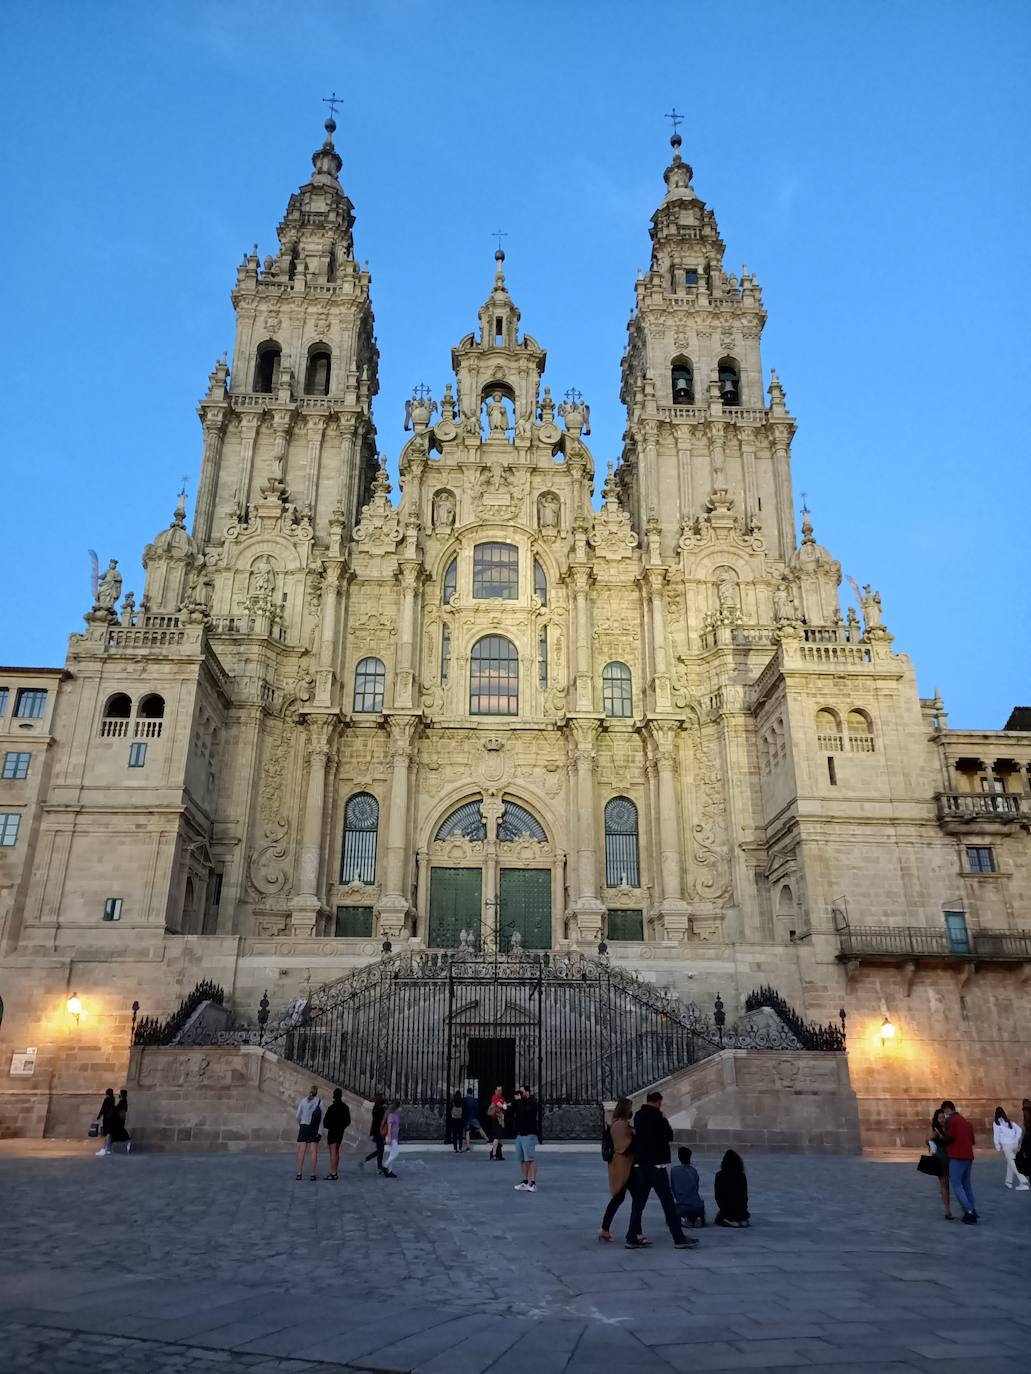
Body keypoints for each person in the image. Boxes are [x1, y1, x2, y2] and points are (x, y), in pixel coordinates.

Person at [625, 1092, 698, 1250]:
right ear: (658, 1102)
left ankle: (631, 1236)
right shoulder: (658, 1118)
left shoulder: (638, 1116)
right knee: (668, 1203)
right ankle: (678, 1237)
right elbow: (669, 1135)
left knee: (638, 1203)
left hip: (641, 1165)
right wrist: (663, 1119)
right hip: (657, 1166)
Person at [600, 1097, 642, 1242]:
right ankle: (636, 1232)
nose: (632, 1111)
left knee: (620, 1198)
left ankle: (606, 1230)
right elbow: (622, 1147)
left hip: (626, 1166)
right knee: (637, 1198)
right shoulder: (620, 1125)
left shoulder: (623, 1124)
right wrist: (635, 1137)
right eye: (630, 1108)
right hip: (623, 1167)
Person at [942, 1100, 978, 1224]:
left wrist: (939, 1139)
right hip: (969, 1156)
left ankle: (969, 1211)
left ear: (947, 1109)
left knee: (956, 1184)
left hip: (956, 1156)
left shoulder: (950, 1121)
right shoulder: (966, 1122)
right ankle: (972, 1208)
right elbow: (972, 1140)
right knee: (967, 1185)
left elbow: (949, 1138)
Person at [992, 1106, 1029, 1190]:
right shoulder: (1010, 1122)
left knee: (1013, 1163)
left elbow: (996, 1136)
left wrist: (997, 1147)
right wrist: (1016, 1139)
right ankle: (1008, 1182)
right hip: (1014, 1144)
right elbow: (1019, 1130)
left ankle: (1023, 1182)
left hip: (1006, 1146)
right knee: (1010, 1163)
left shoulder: (996, 1123)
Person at [671, 1146, 706, 1228]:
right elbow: (696, 1188)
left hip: (683, 1206)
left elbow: (673, 1189)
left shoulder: (674, 1170)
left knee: (671, 1214)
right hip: (697, 1206)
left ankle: (684, 1219)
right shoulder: (694, 1171)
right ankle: (697, 1218)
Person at [513, 1086, 540, 1192]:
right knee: (522, 1159)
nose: (520, 1093)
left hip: (529, 1134)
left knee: (530, 1158)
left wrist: (519, 1102)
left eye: (522, 1091)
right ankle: (524, 1181)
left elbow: (526, 1112)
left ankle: (533, 1183)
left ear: (527, 1092)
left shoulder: (532, 1102)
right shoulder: (520, 1102)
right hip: (520, 1134)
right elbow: (513, 1111)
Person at [929, 1105, 954, 1220]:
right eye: (940, 1118)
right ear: (936, 1119)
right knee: (945, 1186)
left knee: (949, 1185)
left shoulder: (948, 1128)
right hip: (940, 1159)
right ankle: (947, 1210)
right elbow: (930, 1143)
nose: (942, 1120)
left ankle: (948, 1208)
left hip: (951, 1159)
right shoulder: (935, 1130)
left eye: (943, 1117)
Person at [714, 1150, 750, 1227]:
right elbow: (744, 1195)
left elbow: (718, 1196)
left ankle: (729, 1220)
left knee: (719, 1219)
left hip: (727, 1210)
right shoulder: (741, 1176)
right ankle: (740, 1220)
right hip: (741, 1210)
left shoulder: (719, 1175)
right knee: (740, 1215)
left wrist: (723, 1208)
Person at [295, 1084, 323, 1181]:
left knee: (301, 1150)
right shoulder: (320, 1102)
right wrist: (320, 1131)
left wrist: (301, 1123)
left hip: (304, 1126)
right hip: (313, 1127)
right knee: (313, 1151)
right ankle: (313, 1174)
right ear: (317, 1092)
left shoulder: (303, 1101)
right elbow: (321, 1118)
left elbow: (298, 1115)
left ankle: (299, 1173)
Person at [323, 1088, 351, 1181]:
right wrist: (342, 1126)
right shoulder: (345, 1107)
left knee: (333, 1152)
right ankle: (335, 1170)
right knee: (337, 1150)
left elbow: (325, 1121)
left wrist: (330, 1126)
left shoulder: (331, 1108)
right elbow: (348, 1121)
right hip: (340, 1131)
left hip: (332, 1131)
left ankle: (333, 1173)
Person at [362, 1095, 387, 1173]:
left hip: (376, 1131)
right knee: (380, 1150)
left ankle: (367, 1160)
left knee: (379, 1150)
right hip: (379, 1131)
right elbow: (383, 1120)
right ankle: (379, 1166)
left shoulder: (376, 1108)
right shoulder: (380, 1109)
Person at [462, 1085, 490, 1152]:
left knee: (467, 1132)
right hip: (473, 1117)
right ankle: (487, 1140)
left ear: (467, 1092)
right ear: (472, 1093)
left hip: (466, 1117)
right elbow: (477, 1110)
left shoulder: (464, 1100)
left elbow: (463, 1109)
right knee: (480, 1128)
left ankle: (468, 1146)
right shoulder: (474, 1101)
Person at [108, 1089, 132, 1155]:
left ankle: (108, 1148)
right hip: (120, 1120)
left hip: (118, 1120)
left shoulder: (123, 1101)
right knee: (116, 1132)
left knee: (116, 1132)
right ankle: (108, 1148)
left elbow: (117, 1109)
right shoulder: (124, 1101)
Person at [487, 1086, 508, 1161]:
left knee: (499, 1138)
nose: (500, 1091)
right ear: (495, 1090)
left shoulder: (502, 1097)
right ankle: (494, 1154)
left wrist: (503, 1106)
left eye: (501, 1090)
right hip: (496, 1119)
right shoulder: (494, 1097)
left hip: (500, 1119)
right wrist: (503, 1105)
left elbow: (505, 1107)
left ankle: (497, 1154)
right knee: (497, 1137)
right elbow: (501, 1105)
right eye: (498, 1090)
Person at [95, 1088, 116, 1156]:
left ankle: (103, 1149)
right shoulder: (113, 1099)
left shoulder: (106, 1100)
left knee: (103, 1135)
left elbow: (102, 1109)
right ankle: (108, 1149)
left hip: (106, 1119)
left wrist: (98, 1117)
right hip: (112, 1120)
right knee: (110, 1134)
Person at [383, 1100, 401, 1178]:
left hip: (395, 1137)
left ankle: (389, 1171)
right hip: (391, 1137)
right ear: (397, 1107)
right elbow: (389, 1127)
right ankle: (385, 1165)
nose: (401, 1108)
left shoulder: (396, 1115)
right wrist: (389, 1138)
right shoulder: (391, 1115)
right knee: (396, 1153)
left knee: (392, 1154)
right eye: (400, 1107)